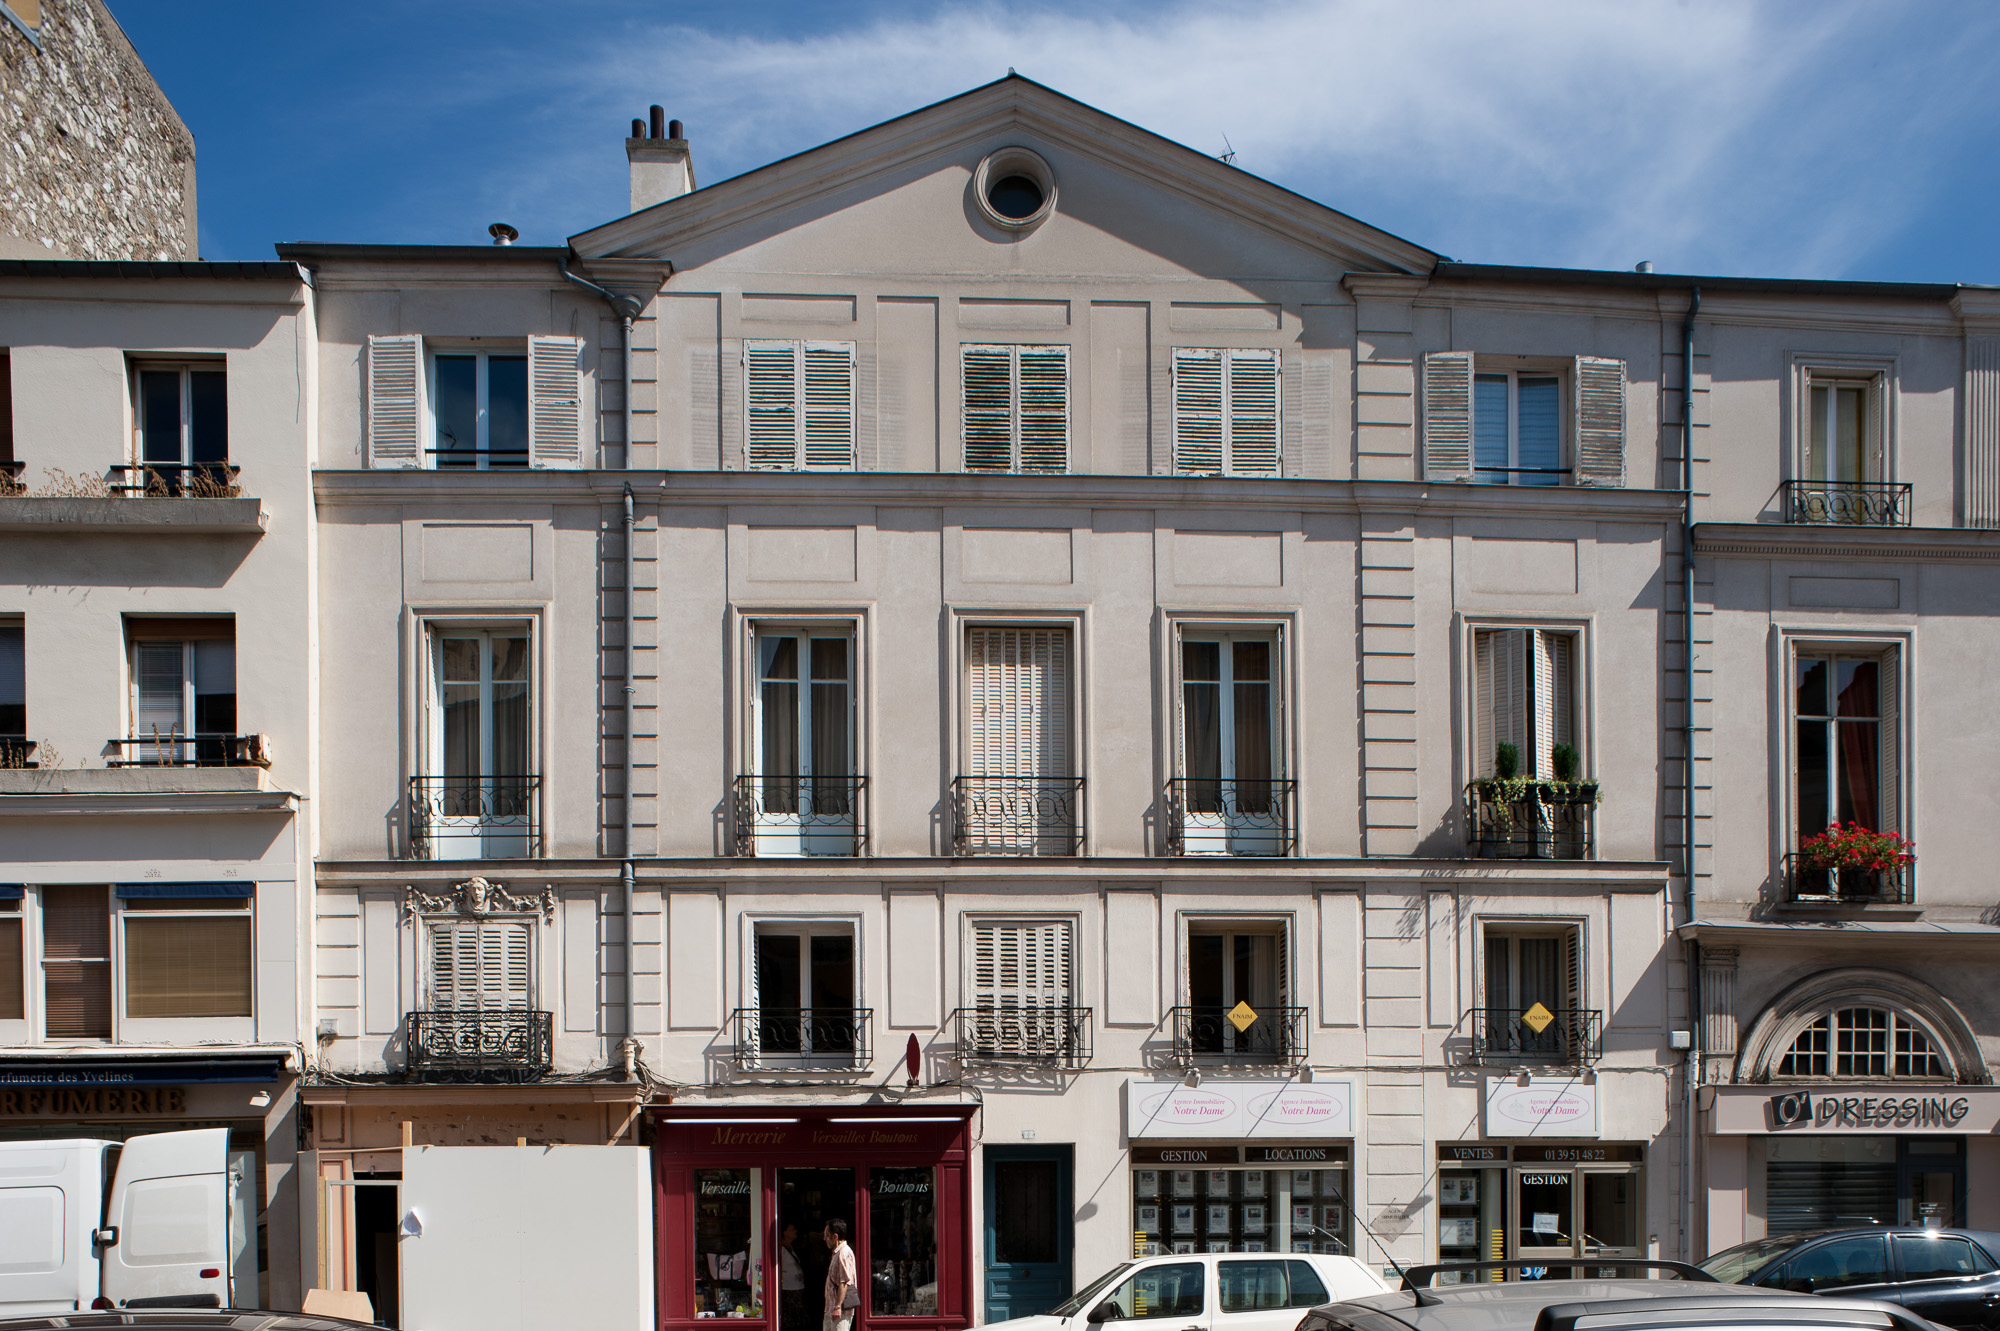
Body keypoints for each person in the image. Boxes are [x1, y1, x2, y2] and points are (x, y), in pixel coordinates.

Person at [822, 1218, 858, 1331]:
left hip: (840, 1310)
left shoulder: (843, 1253)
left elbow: (844, 1282)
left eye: (826, 1235)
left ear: (835, 1237)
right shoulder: (837, 1253)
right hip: (831, 1308)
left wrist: (838, 1307)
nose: (824, 1239)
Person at [780, 1222, 807, 1331]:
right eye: (792, 1230)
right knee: (790, 1318)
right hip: (788, 1288)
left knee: (797, 1317)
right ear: (784, 1233)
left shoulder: (790, 1247)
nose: (795, 1231)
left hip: (797, 1287)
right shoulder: (780, 1249)